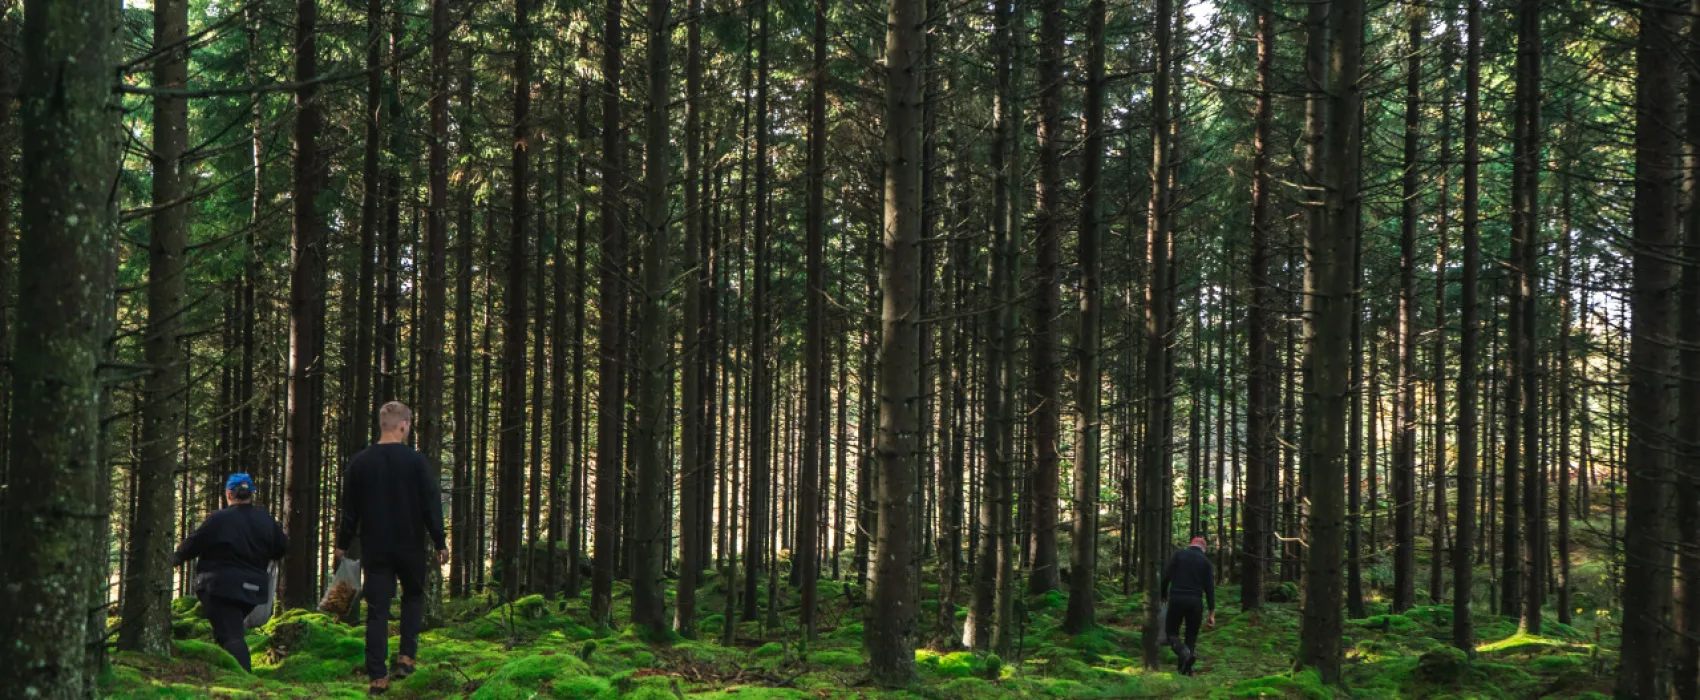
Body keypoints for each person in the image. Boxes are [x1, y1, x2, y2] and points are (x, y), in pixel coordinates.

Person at [335, 401, 448, 696]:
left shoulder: (360, 463)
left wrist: (342, 543)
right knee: (413, 597)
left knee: (377, 610)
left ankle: (377, 677)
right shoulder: (416, 461)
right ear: (404, 425)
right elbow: (431, 504)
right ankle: (406, 658)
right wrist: (440, 541)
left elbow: (350, 511)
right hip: (410, 545)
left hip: (376, 547)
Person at [171, 473, 289, 673]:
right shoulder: (266, 521)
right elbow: (282, 548)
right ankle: (224, 671)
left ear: (228, 494)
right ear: (251, 494)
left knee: (231, 635)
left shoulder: (219, 519)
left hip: (221, 588)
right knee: (227, 630)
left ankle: (243, 678)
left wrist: (171, 560)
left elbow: (192, 545)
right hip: (253, 590)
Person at [1159, 536, 1217, 676]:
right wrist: (1211, 613)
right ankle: (1186, 670)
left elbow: (1165, 576)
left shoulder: (1178, 555)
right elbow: (1210, 589)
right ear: (1204, 549)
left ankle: (1183, 654)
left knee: (1171, 634)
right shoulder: (1206, 562)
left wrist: (1163, 595)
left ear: (1191, 544)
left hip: (1177, 599)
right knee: (1191, 636)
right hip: (1195, 602)